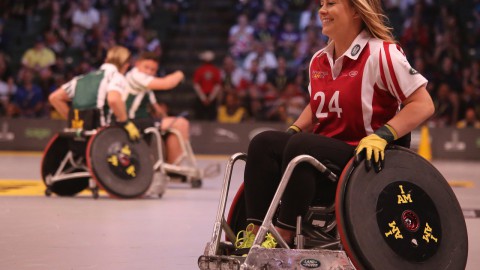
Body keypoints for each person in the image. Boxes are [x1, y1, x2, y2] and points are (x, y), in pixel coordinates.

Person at [233, 0, 435, 252]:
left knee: (302, 145)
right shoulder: (319, 60)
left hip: (364, 159)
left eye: (331, 3)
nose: (322, 10)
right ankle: (254, 233)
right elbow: (318, 106)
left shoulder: (383, 53)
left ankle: (282, 235)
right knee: (264, 142)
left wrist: (383, 136)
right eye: (321, 4)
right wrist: (293, 130)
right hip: (321, 155)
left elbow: (423, 104)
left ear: (355, 11)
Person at [48, 46, 140, 140]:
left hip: (79, 136)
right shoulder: (116, 77)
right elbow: (113, 100)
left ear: (106, 60)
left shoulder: (81, 79)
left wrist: (76, 120)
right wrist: (126, 122)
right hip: (103, 137)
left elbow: (54, 98)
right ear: (126, 65)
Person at [124, 51, 191, 165]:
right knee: (181, 124)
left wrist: (166, 119)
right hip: (132, 122)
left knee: (175, 124)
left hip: (142, 120)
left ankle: (170, 164)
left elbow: (157, 109)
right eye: (146, 67)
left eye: (153, 70)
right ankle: (173, 167)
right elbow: (167, 83)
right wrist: (180, 74)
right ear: (137, 64)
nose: (149, 72)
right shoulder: (136, 76)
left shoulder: (145, 83)